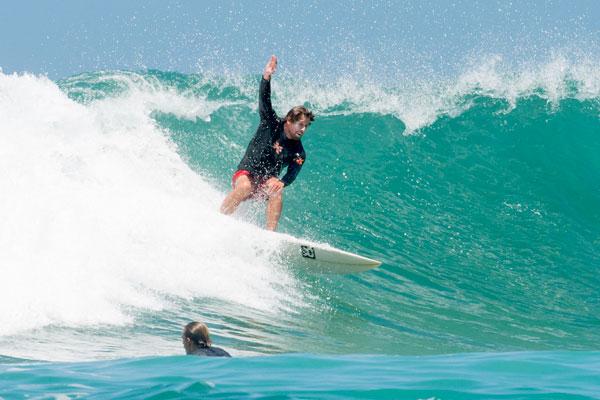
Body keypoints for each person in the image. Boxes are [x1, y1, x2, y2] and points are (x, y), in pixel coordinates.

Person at [220, 55, 314, 231]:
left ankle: (269, 236)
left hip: (264, 182)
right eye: (300, 124)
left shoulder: (299, 152)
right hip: (246, 173)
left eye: (306, 126)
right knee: (245, 186)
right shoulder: (270, 123)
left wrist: (283, 182)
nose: (303, 129)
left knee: (276, 190)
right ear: (288, 120)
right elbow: (265, 100)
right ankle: (220, 217)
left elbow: (293, 173)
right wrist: (266, 77)